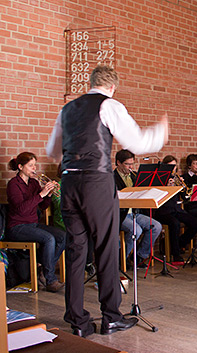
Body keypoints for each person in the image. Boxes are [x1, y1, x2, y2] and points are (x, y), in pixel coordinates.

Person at [47, 65, 168, 337]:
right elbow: (136, 143)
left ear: (91, 82)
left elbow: (53, 151)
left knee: (77, 251)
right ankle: (111, 316)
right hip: (96, 182)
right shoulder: (109, 105)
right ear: (112, 86)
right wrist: (160, 131)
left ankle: (77, 321)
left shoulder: (67, 109)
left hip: (69, 183)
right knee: (107, 247)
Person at [5, 152, 66, 292]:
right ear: (20, 167)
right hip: (17, 226)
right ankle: (50, 279)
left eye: (35, 165)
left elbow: (43, 206)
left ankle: (42, 269)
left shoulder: (33, 183)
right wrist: (41, 194)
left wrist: (49, 195)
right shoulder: (13, 185)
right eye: (31, 165)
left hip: (33, 224)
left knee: (62, 236)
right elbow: (21, 210)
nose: (34, 169)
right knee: (48, 238)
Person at [113, 149, 163, 268]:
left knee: (156, 226)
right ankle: (121, 261)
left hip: (135, 212)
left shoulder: (136, 176)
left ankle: (139, 256)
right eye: (127, 164)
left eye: (132, 164)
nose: (130, 167)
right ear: (118, 163)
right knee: (136, 230)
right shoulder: (111, 177)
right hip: (121, 214)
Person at [50, 163, 96, 278]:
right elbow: (59, 204)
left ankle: (87, 262)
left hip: (77, 220)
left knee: (91, 229)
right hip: (63, 221)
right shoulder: (57, 186)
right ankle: (80, 265)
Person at [154, 155, 197, 263]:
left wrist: (182, 187)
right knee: (175, 224)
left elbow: (185, 197)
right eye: (170, 166)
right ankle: (176, 254)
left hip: (176, 209)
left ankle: (179, 243)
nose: (172, 169)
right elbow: (157, 196)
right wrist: (167, 186)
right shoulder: (158, 180)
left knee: (196, 223)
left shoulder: (177, 178)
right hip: (163, 211)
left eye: (174, 166)